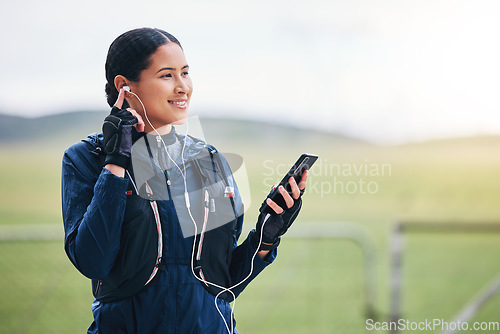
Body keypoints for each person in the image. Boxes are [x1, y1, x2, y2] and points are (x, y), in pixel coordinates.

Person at [61, 27, 309, 334]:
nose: (183, 87)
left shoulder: (208, 160)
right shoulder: (86, 158)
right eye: (167, 75)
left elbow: (223, 284)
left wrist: (266, 235)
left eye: (186, 73)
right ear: (125, 86)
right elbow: (93, 262)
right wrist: (116, 160)